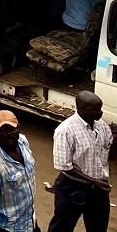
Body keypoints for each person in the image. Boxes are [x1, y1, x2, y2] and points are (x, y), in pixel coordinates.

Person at [47, 91, 116, 232]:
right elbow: (64, 166)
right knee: (62, 227)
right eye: (96, 109)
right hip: (72, 187)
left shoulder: (101, 126)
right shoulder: (66, 130)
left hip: (99, 188)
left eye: (100, 108)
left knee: (98, 227)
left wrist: (116, 136)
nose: (100, 113)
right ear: (81, 108)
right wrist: (93, 180)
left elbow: (112, 155)